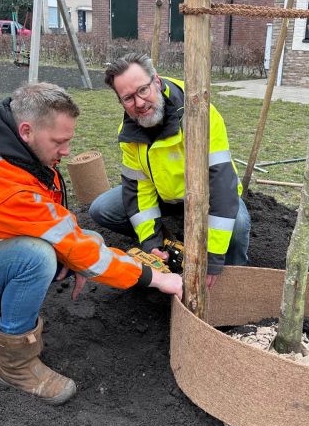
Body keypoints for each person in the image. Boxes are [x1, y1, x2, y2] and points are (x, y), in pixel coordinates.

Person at [0, 82, 183, 406]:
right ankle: (15, 367)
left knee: (83, 244)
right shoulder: (2, 186)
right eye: (59, 142)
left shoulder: (6, 145)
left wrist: (81, 255)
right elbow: (69, 242)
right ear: (27, 130)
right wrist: (155, 277)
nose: (67, 151)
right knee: (36, 258)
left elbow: (62, 229)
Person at [89, 53, 250, 288]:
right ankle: (170, 245)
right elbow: (138, 189)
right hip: (164, 196)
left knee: (236, 226)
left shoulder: (199, 113)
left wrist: (213, 258)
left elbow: (221, 185)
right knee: (102, 209)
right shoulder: (128, 132)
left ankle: (233, 279)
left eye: (143, 90)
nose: (140, 103)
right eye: (128, 98)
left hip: (207, 196)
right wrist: (151, 240)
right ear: (120, 102)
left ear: (156, 81)